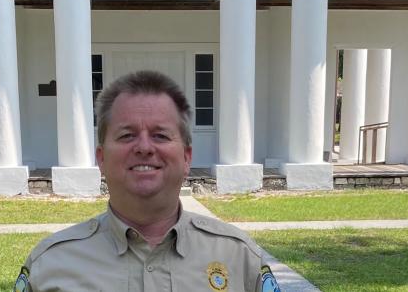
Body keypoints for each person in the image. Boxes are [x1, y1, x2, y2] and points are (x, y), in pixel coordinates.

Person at [14, 70, 280, 292]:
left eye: (161, 135)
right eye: (127, 135)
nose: (144, 147)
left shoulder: (240, 258)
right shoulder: (49, 265)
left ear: (186, 157)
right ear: (102, 158)